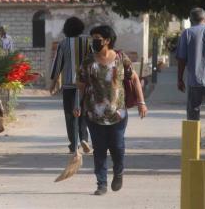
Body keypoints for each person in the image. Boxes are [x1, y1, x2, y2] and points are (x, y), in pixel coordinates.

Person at [74, 25, 147, 195]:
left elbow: (135, 79)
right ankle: (101, 183)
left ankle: (118, 172)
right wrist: (77, 105)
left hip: (118, 113)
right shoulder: (88, 61)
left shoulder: (121, 59)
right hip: (94, 113)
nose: (94, 42)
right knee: (99, 149)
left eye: (97, 38)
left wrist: (141, 102)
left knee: (117, 146)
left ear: (107, 40)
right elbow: (81, 86)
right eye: (93, 39)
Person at [50, 17, 92, 154]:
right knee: (84, 113)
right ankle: (84, 138)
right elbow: (93, 61)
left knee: (70, 115)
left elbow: (57, 65)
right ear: (81, 28)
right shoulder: (88, 42)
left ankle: (74, 144)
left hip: (69, 85)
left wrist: (53, 83)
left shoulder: (63, 44)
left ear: (66, 29)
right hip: (85, 85)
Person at [176, 7, 205, 120]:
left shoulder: (187, 33)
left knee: (193, 116)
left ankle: (194, 138)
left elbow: (181, 59)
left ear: (191, 19)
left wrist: (180, 79)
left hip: (194, 81)